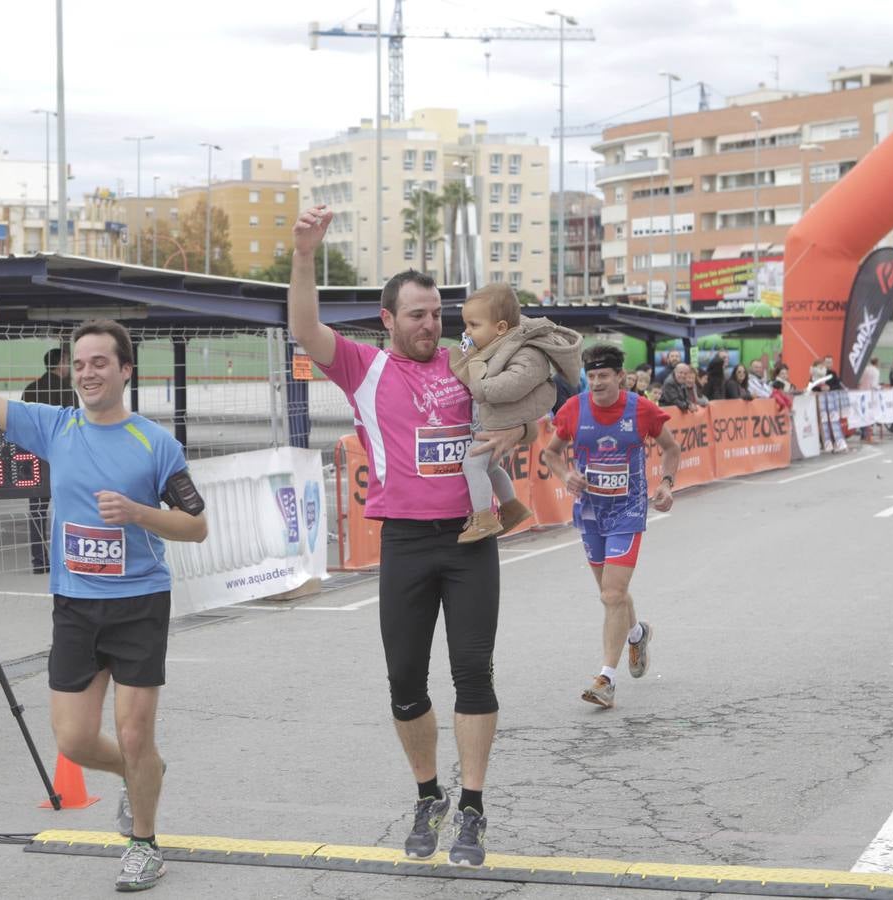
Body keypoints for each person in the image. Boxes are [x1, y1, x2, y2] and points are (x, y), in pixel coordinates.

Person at [287, 206, 523, 867]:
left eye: (437, 312)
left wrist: (522, 432)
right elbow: (305, 328)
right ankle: (429, 794)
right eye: (416, 314)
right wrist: (305, 255)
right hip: (407, 543)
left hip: (472, 538)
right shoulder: (363, 368)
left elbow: (538, 399)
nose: (430, 324)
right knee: (405, 683)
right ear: (387, 320)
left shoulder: (472, 363)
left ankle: (472, 805)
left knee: (474, 674)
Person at [0, 300, 208, 892]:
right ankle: (141, 774)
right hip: (74, 604)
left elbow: (195, 525)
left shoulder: (155, 444)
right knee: (72, 738)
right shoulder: (53, 426)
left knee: (135, 732)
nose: (88, 372)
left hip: (140, 602)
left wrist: (140, 513)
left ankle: (144, 844)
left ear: (125, 372)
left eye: (100, 362)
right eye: (80, 364)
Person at [540, 343, 681, 709]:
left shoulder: (641, 410)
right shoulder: (574, 409)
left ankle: (606, 679)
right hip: (590, 513)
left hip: (628, 512)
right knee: (610, 593)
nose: (598, 383)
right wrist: (564, 474)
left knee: (613, 595)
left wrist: (666, 484)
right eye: (592, 376)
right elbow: (550, 453)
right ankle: (637, 634)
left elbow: (671, 448)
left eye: (605, 376)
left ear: (621, 376)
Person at [449, 283, 583, 541]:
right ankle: (511, 507)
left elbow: (516, 382)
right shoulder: (497, 346)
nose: (467, 331)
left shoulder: (527, 351)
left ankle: (484, 518)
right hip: (492, 424)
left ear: (500, 327)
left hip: (498, 425)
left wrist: (482, 388)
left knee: (472, 465)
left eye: (473, 325)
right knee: (490, 468)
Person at [22, 347, 79, 574]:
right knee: (68, 508)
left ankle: (39, 560)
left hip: (35, 454)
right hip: (59, 456)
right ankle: (67, 558)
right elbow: (72, 426)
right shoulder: (67, 390)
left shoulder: (30, 389)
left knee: (36, 510)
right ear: (62, 362)